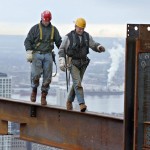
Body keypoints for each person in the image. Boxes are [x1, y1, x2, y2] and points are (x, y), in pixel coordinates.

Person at [58, 18, 105, 112]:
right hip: (73, 63)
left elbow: (93, 44)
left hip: (83, 63)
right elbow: (61, 49)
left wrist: (99, 47)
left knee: (76, 83)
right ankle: (82, 104)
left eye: (82, 28)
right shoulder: (68, 37)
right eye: (79, 28)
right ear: (75, 26)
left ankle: (69, 101)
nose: (81, 30)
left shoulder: (87, 36)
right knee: (78, 83)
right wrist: (62, 60)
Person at [24, 10, 62, 105]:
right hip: (37, 54)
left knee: (47, 78)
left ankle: (43, 96)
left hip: (48, 54)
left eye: (48, 20)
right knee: (35, 75)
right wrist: (29, 51)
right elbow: (28, 41)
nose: (46, 22)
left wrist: (63, 53)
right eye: (45, 20)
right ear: (41, 19)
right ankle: (34, 90)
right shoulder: (35, 29)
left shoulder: (54, 30)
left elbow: (59, 42)